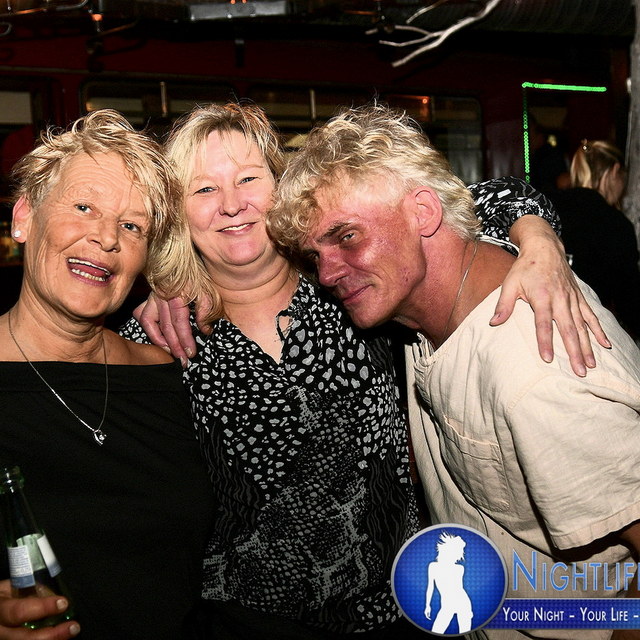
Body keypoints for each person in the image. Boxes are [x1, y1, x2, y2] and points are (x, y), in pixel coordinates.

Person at [125, 102, 606, 638]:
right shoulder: (155, 338)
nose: (232, 204)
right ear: (177, 211)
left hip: (399, 611)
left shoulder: (354, 280)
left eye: (248, 179)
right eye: (203, 189)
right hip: (241, 623)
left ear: (283, 189)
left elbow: (478, 199)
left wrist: (538, 241)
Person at [268, 103, 640, 640]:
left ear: (423, 213)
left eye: (346, 237)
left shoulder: (537, 371)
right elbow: (483, 198)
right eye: (314, 254)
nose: (326, 273)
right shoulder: (423, 308)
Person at [0, 110, 214, 640]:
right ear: (24, 217)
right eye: (83, 207)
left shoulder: (169, 374)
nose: (106, 238)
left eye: (132, 226)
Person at [551, 139, 640, 339]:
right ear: (615, 171)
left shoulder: (549, 205)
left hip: (543, 321)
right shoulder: (615, 223)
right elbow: (629, 301)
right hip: (588, 330)